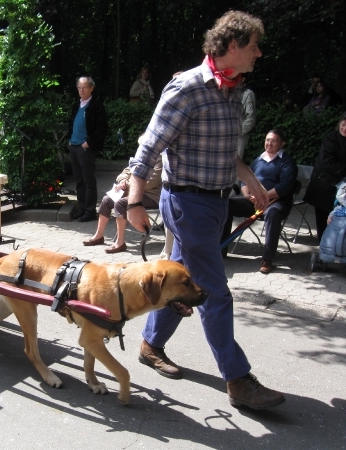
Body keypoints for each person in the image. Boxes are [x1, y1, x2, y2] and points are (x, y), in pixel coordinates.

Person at [126, 10, 285, 410]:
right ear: (233, 45)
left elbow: (224, 154)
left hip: (214, 204)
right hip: (187, 204)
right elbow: (149, 147)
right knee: (213, 292)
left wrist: (250, 180)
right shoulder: (187, 88)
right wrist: (133, 200)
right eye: (253, 46)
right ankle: (238, 380)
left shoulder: (231, 90)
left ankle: (150, 344)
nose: (259, 53)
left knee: (181, 284)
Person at [222, 129, 298, 273]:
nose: (269, 143)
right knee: (228, 204)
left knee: (273, 214)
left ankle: (267, 260)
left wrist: (262, 196)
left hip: (275, 202)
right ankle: (221, 249)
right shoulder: (258, 160)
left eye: (273, 141)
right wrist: (246, 195)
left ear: (282, 144)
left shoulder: (287, 162)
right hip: (254, 201)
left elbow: (285, 187)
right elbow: (245, 180)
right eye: (267, 140)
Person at [83, 158, 162, 253]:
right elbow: (126, 170)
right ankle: (98, 236)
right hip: (133, 191)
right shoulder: (143, 153)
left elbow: (150, 183)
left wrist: (127, 185)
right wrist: (123, 181)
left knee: (121, 203)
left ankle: (120, 243)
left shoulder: (160, 159)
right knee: (106, 200)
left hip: (151, 195)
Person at [68, 76, 108, 222]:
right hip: (74, 147)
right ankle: (82, 208)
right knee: (78, 180)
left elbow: (102, 128)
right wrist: (70, 140)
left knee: (88, 180)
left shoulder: (96, 106)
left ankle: (90, 211)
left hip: (85, 149)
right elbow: (71, 124)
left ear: (91, 88)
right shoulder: (76, 105)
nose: (81, 90)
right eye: (79, 87)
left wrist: (89, 143)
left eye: (84, 87)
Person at [302, 112, 346, 241]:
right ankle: (323, 244)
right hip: (324, 184)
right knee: (323, 215)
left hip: (342, 186)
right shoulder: (331, 138)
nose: (344, 129)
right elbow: (327, 162)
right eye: (343, 125)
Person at [237, 77, 256, 160]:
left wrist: (238, 133)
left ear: (243, 78)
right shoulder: (229, 91)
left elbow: (250, 119)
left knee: (235, 165)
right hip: (226, 135)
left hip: (239, 136)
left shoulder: (247, 94)